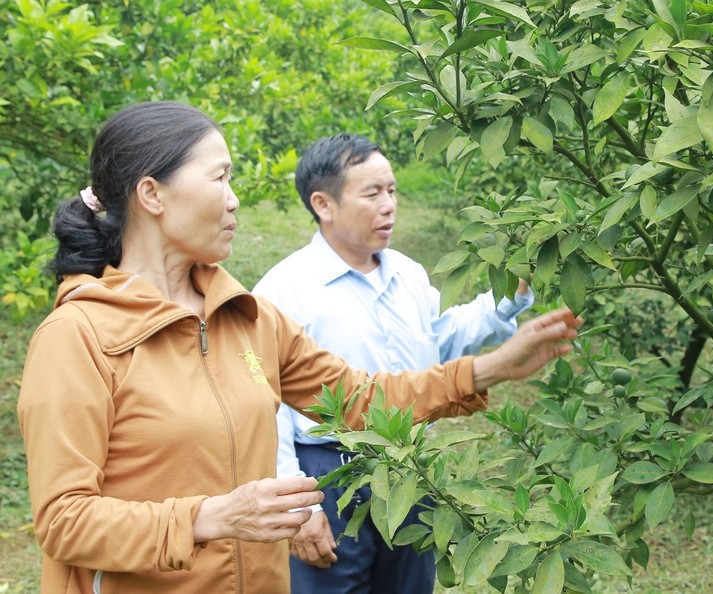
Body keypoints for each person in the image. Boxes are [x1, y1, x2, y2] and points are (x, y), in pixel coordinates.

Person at [15, 101, 581, 594]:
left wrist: (487, 369)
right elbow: (64, 521)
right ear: (152, 194)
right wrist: (208, 517)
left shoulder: (249, 319)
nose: (235, 201)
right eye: (220, 179)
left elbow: (361, 399)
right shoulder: (79, 338)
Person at [253, 133, 534, 594]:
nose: (389, 205)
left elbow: (440, 342)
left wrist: (512, 298)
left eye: (392, 190)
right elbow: (270, 408)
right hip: (330, 475)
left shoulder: (406, 272)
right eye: (372, 193)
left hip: (412, 468)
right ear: (323, 204)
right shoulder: (283, 290)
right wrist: (296, 504)